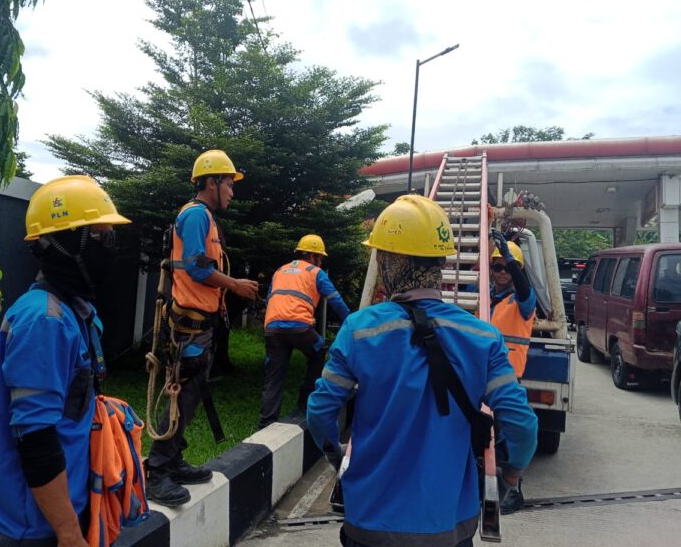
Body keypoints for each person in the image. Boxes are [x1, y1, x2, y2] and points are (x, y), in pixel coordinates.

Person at [307, 194, 538, 547]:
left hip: (370, 525)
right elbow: (522, 424)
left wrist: (336, 458)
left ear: (389, 262)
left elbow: (320, 412)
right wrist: (509, 478)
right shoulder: (482, 336)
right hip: (449, 527)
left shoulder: (359, 330)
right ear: (440, 262)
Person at [0, 176, 131, 547]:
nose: (110, 248)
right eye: (101, 237)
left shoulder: (77, 312)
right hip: (31, 528)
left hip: (61, 513)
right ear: (65, 244)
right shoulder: (44, 321)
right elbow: (36, 438)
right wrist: (68, 533)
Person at [146, 149, 258, 507]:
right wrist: (234, 285)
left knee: (189, 395)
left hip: (198, 325)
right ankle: (156, 470)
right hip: (189, 327)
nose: (232, 192)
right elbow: (196, 268)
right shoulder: (196, 215)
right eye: (229, 184)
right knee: (182, 394)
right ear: (211, 182)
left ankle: (172, 459)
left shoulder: (204, 217)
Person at [257, 234, 351, 429]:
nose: (321, 262)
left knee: (274, 375)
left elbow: (269, 300)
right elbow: (336, 300)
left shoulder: (280, 270)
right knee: (319, 350)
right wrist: (351, 322)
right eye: (320, 258)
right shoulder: (315, 272)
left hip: (273, 329)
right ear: (312, 256)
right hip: (299, 328)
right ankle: (304, 405)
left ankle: (266, 422)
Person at [489, 230, 537, 514]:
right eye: (498, 267)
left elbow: (524, 289)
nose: (503, 272)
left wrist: (509, 256)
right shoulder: (486, 298)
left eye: (509, 268)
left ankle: (514, 489)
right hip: (482, 374)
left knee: (513, 432)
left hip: (508, 376)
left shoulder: (523, 302)